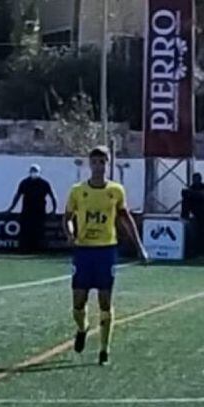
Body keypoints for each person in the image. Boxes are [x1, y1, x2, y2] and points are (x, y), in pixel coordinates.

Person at [63, 146, 148, 366]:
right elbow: (68, 218)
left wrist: (139, 246)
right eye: (95, 162)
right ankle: (82, 328)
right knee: (78, 302)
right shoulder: (78, 191)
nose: (99, 167)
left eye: (103, 162)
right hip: (83, 251)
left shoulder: (116, 191)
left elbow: (125, 218)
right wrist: (70, 233)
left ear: (108, 164)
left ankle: (104, 350)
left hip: (106, 251)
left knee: (105, 301)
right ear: (90, 164)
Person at [7, 164, 57, 253]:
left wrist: (54, 210)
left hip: (39, 212)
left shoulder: (44, 183)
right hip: (26, 211)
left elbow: (52, 197)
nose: (33, 173)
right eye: (32, 171)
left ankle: (39, 249)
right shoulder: (24, 182)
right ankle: (24, 249)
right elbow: (17, 196)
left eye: (35, 171)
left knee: (39, 231)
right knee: (25, 231)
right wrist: (10, 208)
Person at [181, 173, 204, 258]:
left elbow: (202, 195)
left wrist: (192, 193)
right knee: (194, 233)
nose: (196, 181)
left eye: (197, 179)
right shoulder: (191, 188)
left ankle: (200, 251)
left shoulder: (201, 187)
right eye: (194, 179)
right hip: (195, 214)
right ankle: (194, 251)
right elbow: (185, 196)